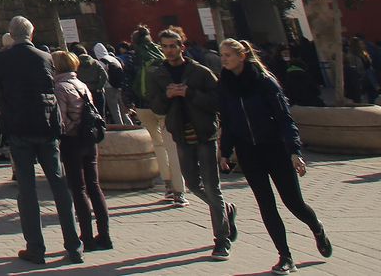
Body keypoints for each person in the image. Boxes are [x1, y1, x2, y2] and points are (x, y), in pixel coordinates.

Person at [219, 39, 331, 275]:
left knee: (293, 202)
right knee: (266, 204)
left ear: (242, 56)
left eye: (228, 55)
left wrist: (294, 152)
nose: (224, 59)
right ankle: (285, 256)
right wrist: (225, 151)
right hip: (248, 152)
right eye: (222, 55)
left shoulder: (265, 82)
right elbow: (228, 122)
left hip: (275, 148)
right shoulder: (225, 85)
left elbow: (284, 119)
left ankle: (317, 227)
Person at [0, 16, 82, 266]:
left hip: (19, 127)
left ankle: (36, 248)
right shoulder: (47, 58)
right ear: (32, 35)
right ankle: (74, 247)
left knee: (27, 189)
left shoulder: (2, 58)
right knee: (59, 185)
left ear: (11, 35)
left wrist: (6, 117)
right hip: (46, 127)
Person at [148, 29, 231, 260]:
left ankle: (221, 240)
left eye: (173, 45)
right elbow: (156, 107)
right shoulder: (158, 75)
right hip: (181, 136)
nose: (169, 50)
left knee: (213, 188)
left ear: (182, 46)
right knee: (193, 184)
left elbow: (217, 102)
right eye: (165, 46)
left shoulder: (200, 72)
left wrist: (189, 93)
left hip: (205, 135)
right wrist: (168, 95)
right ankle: (224, 210)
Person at [52, 50, 110, 253]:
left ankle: (87, 238)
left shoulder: (60, 87)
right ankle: (105, 235)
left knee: (79, 189)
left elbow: (61, 119)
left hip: (73, 141)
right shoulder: (81, 84)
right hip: (90, 139)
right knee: (94, 186)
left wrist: (62, 134)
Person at [130, 25, 186, 206]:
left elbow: (128, 82)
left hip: (142, 106)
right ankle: (179, 192)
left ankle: (168, 184)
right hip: (163, 105)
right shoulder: (161, 55)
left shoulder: (134, 57)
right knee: (172, 146)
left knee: (158, 144)